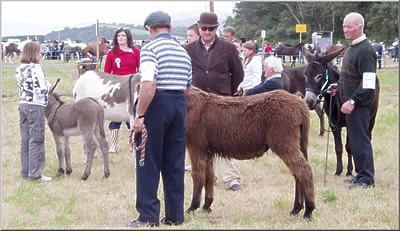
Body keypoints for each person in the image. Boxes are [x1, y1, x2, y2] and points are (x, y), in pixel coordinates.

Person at [124, 11, 192, 228]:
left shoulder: (150, 50)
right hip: (179, 104)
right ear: (169, 28)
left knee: (147, 161)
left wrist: (140, 114)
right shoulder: (183, 53)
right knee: (174, 162)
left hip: (157, 104)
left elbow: (149, 84)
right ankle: (175, 215)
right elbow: (189, 89)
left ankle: (148, 216)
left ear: (149, 28)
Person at [185, 12, 244, 191]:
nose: (207, 32)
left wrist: (227, 90)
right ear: (199, 28)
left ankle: (232, 179)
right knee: (199, 141)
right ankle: (208, 176)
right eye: (204, 29)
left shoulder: (228, 48)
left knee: (227, 139)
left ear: (216, 29)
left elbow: (238, 73)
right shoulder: (189, 49)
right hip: (197, 105)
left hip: (223, 102)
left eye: (211, 29)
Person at [328, 12, 378, 189]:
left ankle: (367, 178)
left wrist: (353, 101)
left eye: (349, 26)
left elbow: (368, 83)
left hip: (360, 105)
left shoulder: (366, 50)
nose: (345, 30)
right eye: (344, 26)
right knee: (355, 140)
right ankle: (360, 174)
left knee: (361, 140)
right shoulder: (352, 47)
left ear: (359, 28)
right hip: (349, 103)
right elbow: (352, 76)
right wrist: (338, 86)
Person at [16, 41, 52, 182]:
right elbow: (41, 88)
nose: (41, 54)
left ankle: (26, 170)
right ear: (34, 53)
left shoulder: (20, 68)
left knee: (25, 140)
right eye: (39, 52)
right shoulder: (36, 68)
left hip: (23, 104)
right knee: (36, 139)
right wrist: (48, 86)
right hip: (35, 105)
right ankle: (36, 173)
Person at [104, 27, 141, 153]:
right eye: (119, 35)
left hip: (132, 88)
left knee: (132, 116)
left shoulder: (136, 52)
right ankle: (113, 146)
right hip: (116, 88)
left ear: (128, 38)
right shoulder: (112, 53)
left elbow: (140, 70)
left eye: (123, 35)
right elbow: (107, 73)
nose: (121, 37)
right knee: (115, 118)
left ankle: (133, 145)